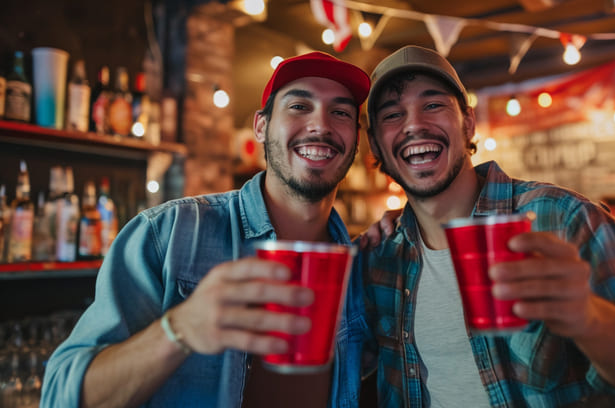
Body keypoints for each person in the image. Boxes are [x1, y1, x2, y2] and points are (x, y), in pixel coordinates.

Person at [358, 45, 615, 407]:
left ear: (468, 122)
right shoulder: (379, 256)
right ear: (376, 142)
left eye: (433, 105)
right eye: (393, 115)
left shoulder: (561, 218)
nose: (414, 124)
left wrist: (589, 318)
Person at [40, 52, 371, 408]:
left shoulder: (362, 267)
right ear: (261, 127)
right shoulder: (167, 234)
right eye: (299, 106)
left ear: (355, 137)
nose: (321, 125)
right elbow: (60, 397)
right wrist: (178, 331)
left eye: (340, 113)